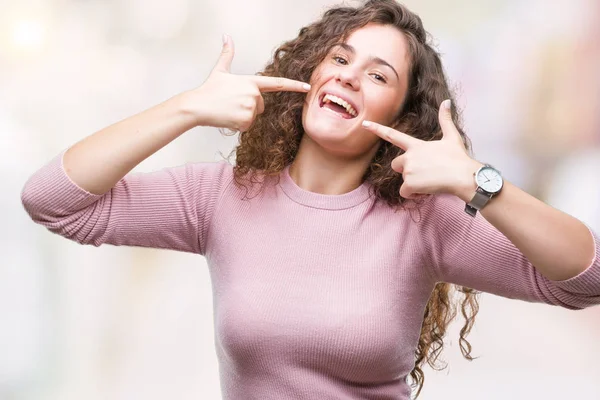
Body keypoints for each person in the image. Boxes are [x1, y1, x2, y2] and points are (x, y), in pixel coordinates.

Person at [20, 0, 600, 398]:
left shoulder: (424, 219)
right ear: (310, 74)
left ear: (402, 116)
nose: (348, 77)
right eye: (340, 59)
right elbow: (53, 200)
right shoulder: (219, 198)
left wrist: (478, 181)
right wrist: (186, 107)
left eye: (378, 76)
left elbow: (584, 278)